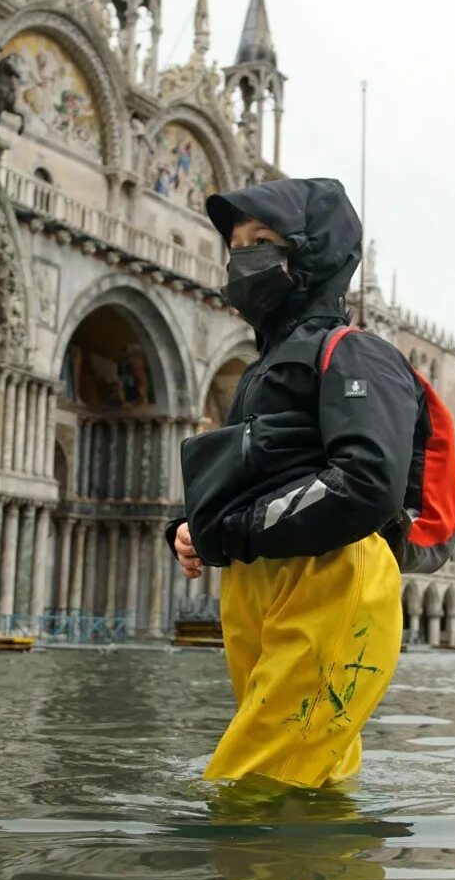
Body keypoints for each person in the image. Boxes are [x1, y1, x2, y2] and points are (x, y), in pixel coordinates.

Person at [167, 177, 420, 790]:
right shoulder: (263, 369)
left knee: (252, 786)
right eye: (235, 244)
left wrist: (234, 531)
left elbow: (365, 483)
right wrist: (192, 527)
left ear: (311, 251)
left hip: (329, 578)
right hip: (263, 584)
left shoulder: (356, 354)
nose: (241, 257)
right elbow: (261, 468)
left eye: (262, 240)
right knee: (310, 776)